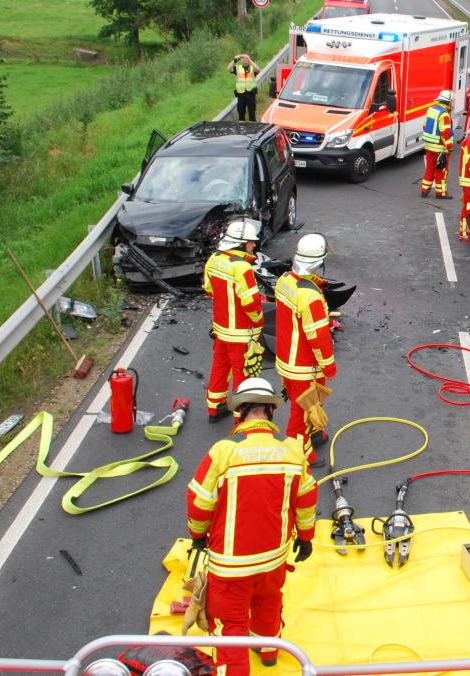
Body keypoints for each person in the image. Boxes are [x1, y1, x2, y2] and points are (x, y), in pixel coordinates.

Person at [186, 377, 317, 674]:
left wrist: (197, 535)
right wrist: (305, 537)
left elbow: (199, 501)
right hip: (274, 558)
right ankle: (269, 652)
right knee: (268, 603)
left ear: (240, 411)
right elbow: (307, 499)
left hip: (230, 566)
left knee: (230, 626)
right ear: (270, 412)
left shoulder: (223, 451)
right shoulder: (293, 450)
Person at [275, 234, 336, 467]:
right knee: (301, 414)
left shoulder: (284, 282)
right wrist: (329, 366)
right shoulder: (310, 295)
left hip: (286, 359)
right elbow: (318, 337)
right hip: (304, 366)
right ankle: (298, 456)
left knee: (305, 409)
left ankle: (313, 437)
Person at [202, 219, 264, 423]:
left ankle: (215, 407)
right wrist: (259, 321)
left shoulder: (214, 259)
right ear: (241, 243)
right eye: (251, 242)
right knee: (242, 374)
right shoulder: (242, 268)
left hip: (221, 330)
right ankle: (242, 417)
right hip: (241, 333)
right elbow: (251, 303)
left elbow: (209, 289)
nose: (254, 245)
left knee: (220, 367)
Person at [420, 90, 454, 199]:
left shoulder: (431, 110)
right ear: (448, 102)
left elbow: (425, 126)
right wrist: (449, 147)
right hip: (440, 148)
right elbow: (445, 134)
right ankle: (441, 193)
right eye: (451, 102)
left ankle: (424, 190)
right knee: (441, 170)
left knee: (429, 168)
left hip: (429, 146)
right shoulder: (444, 114)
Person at [228, 53, 261, 122]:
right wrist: (235, 60)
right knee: (241, 112)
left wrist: (250, 60)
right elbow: (229, 69)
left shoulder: (252, 68)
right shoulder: (238, 68)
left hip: (250, 93)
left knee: (252, 113)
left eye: (246, 58)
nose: (244, 60)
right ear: (240, 60)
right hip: (241, 94)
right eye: (242, 58)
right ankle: (242, 128)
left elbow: (258, 70)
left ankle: (252, 128)